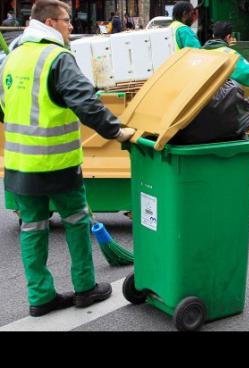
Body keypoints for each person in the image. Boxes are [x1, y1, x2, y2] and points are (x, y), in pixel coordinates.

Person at [0, 0, 136, 317]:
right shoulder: (56, 57)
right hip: (57, 164)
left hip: (19, 165)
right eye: (67, 20)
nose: (71, 26)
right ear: (49, 22)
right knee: (76, 222)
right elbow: (86, 102)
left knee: (32, 228)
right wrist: (116, 132)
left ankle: (41, 297)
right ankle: (85, 288)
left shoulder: (13, 57)